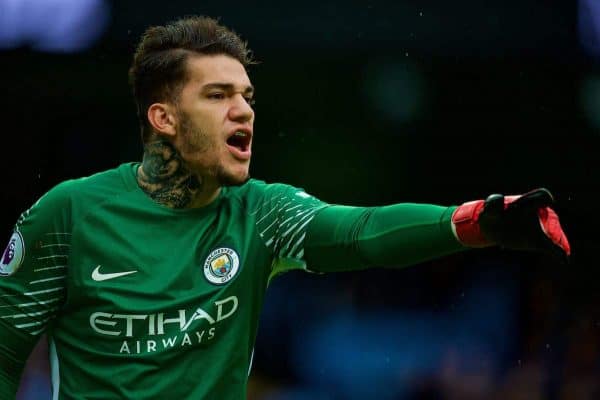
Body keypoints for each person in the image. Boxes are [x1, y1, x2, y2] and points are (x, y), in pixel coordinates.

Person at [0, 16, 570, 400]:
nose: (243, 111)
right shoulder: (68, 215)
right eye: (218, 96)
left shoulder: (261, 215)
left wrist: (476, 221)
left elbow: (358, 232)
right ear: (163, 118)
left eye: (247, 96)